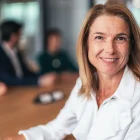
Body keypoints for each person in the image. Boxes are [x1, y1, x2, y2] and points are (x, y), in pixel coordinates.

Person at [5, 1, 140, 140]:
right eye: (99, 37)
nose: (110, 49)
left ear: (131, 46)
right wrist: (23, 138)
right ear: (86, 43)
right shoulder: (84, 83)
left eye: (120, 38)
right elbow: (57, 128)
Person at [0, 20, 57, 87]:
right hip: (9, 92)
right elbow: (9, 80)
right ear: (13, 37)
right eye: (19, 35)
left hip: (22, 89)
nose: (21, 38)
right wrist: (38, 81)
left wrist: (42, 77)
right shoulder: (1, 54)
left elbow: (25, 72)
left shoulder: (16, 52)